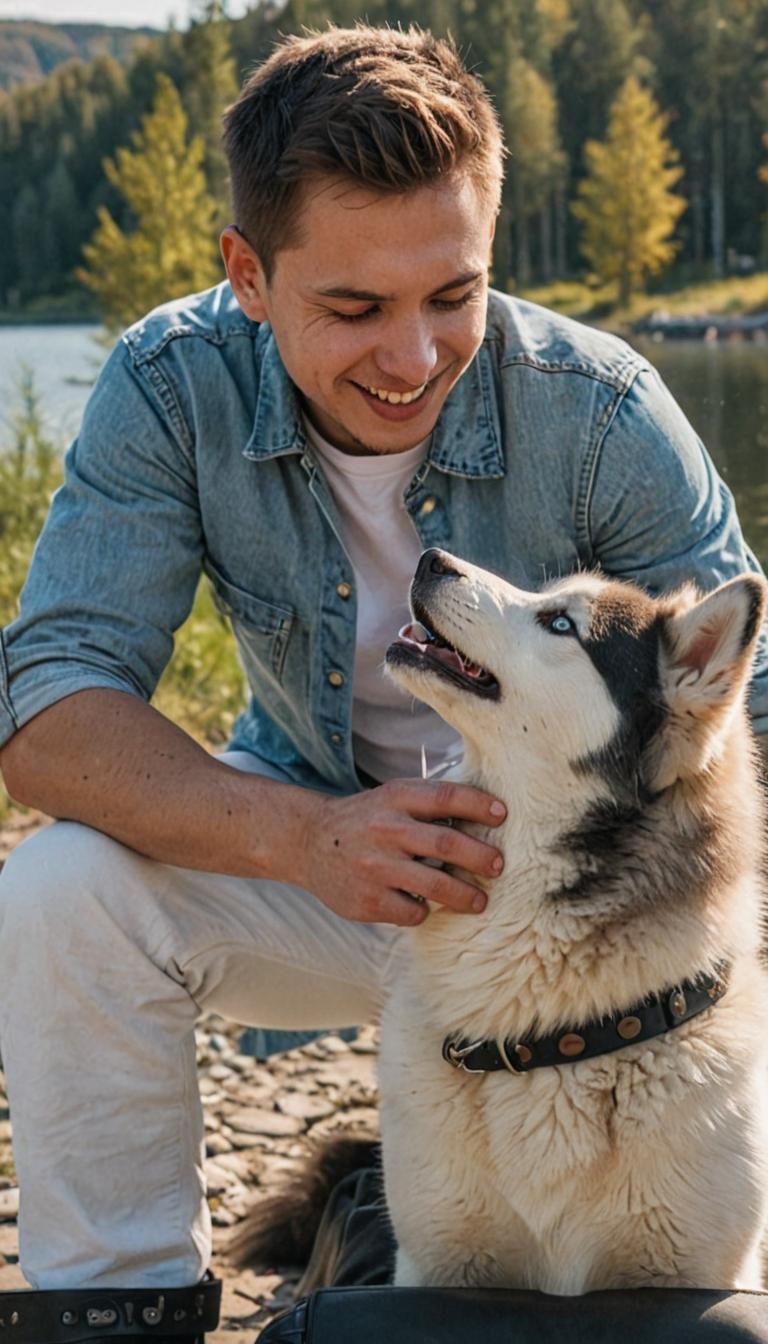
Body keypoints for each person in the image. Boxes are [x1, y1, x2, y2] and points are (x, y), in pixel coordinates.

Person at [0, 22, 766, 1342]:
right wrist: (305, 836)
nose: (412, 357)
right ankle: (115, 1308)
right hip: (318, 867)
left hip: (577, 918)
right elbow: (49, 709)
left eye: (451, 295)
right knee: (61, 890)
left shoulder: (605, 407)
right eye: (355, 308)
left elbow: (743, 711)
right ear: (247, 271)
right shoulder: (166, 384)